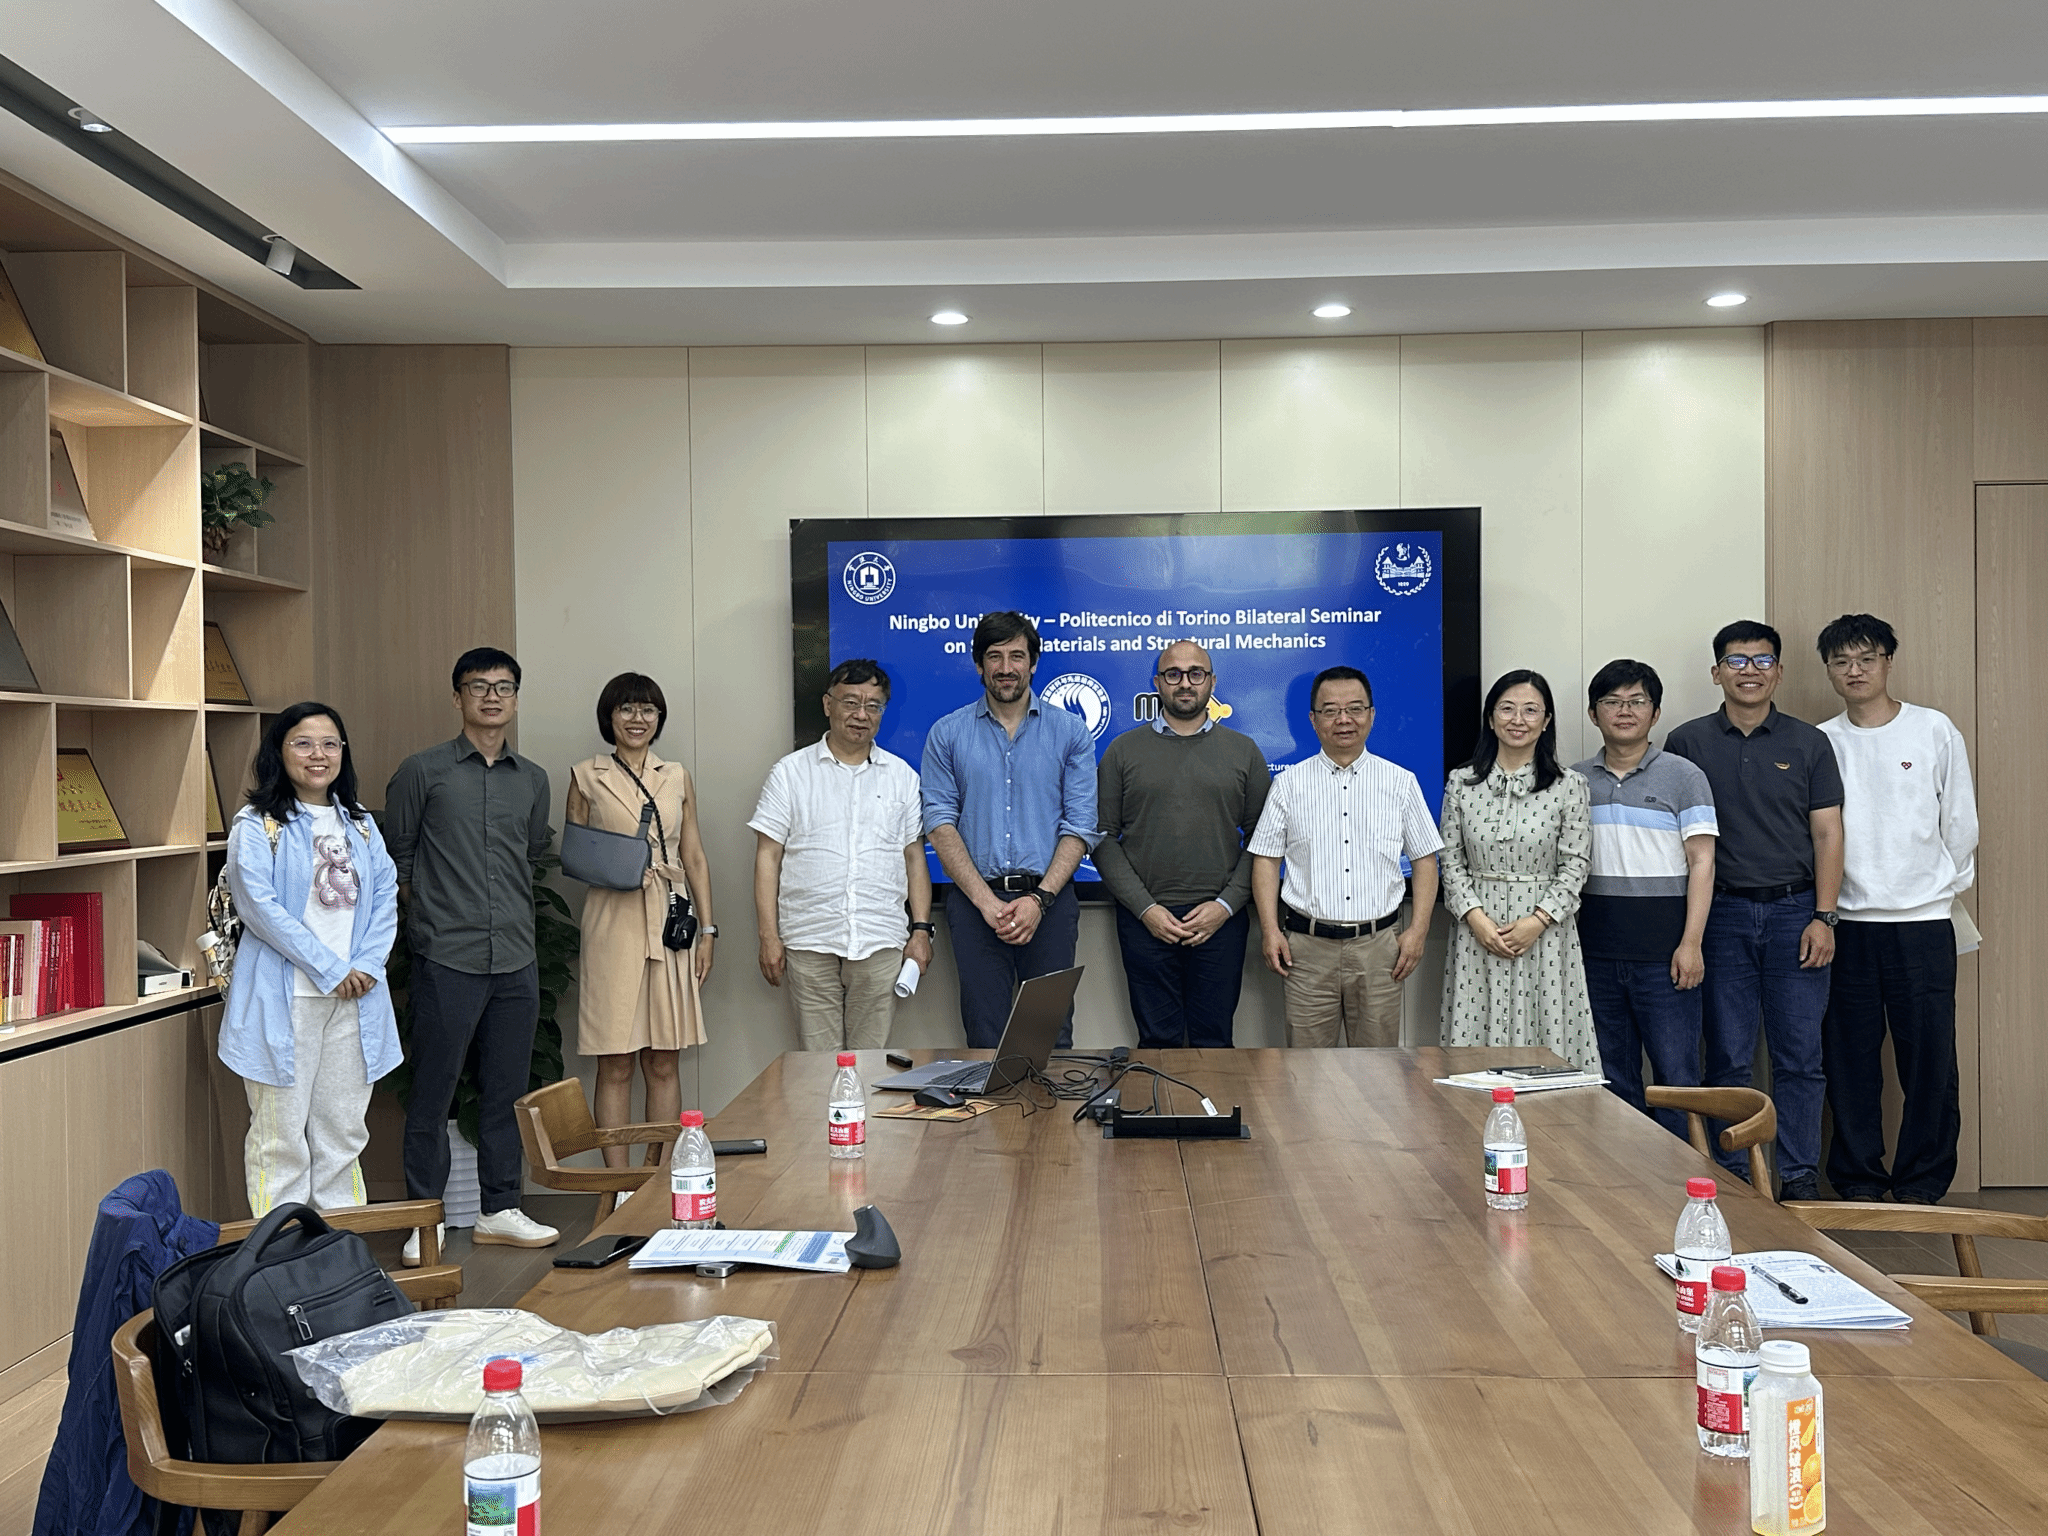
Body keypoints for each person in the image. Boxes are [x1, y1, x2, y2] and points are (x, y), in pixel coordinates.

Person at [385, 647, 558, 1261]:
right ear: (457, 696)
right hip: (447, 955)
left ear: (515, 699)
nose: (491, 697)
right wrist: (429, 921)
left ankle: (500, 1208)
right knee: (432, 1094)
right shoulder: (422, 771)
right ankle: (424, 1221)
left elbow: (531, 855)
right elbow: (398, 857)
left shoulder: (532, 779)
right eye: (478, 686)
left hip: (514, 955)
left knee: (506, 1091)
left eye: (503, 687)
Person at [1665, 621, 1843, 1201]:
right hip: (1722, 916)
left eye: (1762, 661)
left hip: (1796, 912)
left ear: (1779, 672)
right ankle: (1734, 1175)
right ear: (1716, 672)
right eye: (1737, 661)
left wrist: (1825, 916)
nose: (1750, 671)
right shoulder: (1687, 742)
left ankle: (1798, 1176)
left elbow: (1828, 834)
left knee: (1800, 1055)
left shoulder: (1808, 743)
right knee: (1727, 1056)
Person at [1816, 614, 1978, 1204]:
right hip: (1847, 925)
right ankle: (1858, 1178)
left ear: (1888, 661)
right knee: (1848, 1060)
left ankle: (1922, 1181)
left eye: (1867, 659)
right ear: (1829, 670)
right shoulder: (1822, 740)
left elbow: (1960, 823)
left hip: (1923, 925)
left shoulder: (1933, 729)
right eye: (1842, 662)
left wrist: (1937, 889)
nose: (1855, 671)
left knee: (1929, 1061)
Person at [219, 703, 399, 1216]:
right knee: (280, 1138)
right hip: (287, 1000)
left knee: (343, 1133)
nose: (318, 755)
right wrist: (332, 969)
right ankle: (284, 1251)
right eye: (303, 743)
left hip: (356, 999)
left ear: (343, 752)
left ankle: (339, 1247)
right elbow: (259, 908)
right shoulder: (257, 825)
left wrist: (367, 964)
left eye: (329, 744)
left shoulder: (360, 824)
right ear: (279, 751)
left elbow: (385, 895)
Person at [921, 612, 1099, 1048]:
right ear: (978, 665)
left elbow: (1080, 826)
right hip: (974, 906)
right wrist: (986, 903)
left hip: (1050, 905)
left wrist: (1039, 900)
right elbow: (939, 824)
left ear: (1033, 663)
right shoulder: (947, 733)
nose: (1006, 668)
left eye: (1017, 656)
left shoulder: (1070, 732)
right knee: (985, 1038)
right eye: (994, 657)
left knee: (1049, 1037)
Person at [566, 673, 715, 1167]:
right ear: (609, 717)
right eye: (626, 709)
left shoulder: (676, 775)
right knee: (615, 1061)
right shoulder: (586, 775)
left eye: (648, 709)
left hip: (670, 922)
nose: (637, 719)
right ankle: (619, 1186)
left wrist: (708, 930)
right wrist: (623, 865)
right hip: (613, 921)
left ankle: (658, 1179)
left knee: (664, 1060)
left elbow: (694, 856)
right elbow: (577, 853)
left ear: (659, 718)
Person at [1249, 665, 1441, 1048]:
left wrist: (1418, 932)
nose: (1344, 720)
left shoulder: (1401, 783)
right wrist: (1270, 931)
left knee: (1378, 1071)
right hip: (1306, 950)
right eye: (1331, 711)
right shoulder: (1288, 785)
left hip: (1380, 948)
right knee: (1306, 1069)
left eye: (1354, 709)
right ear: (1313, 719)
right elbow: (1266, 861)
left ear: (1371, 715)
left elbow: (1425, 861)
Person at [1095, 641, 1272, 1048]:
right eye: (1173, 674)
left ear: (1212, 682)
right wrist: (1146, 908)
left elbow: (1263, 841)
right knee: (1157, 1044)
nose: (1185, 683)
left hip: (1221, 923)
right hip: (1145, 922)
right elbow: (1102, 838)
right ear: (1157, 683)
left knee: (1215, 1043)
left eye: (1196, 674)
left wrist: (1225, 905)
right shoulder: (1122, 751)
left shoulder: (1244, 751)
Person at [751, 659, 932, 1050]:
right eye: (850, 702)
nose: (861, 715)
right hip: (809, 938)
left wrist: (920, 930)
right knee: (817, 1065)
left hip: (880, 938)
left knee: (871, 1062)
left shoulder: (902, 777)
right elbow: (768, 857)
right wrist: (769, 936)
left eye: (873, 705)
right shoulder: (789, 773)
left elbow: (915, 860)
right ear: (827, 704)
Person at [1573, 660, 1718, 1133]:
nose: (1625, 711)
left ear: (1655, 713)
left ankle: (1685, 1174)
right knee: (1612, 1082)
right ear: (1593, 713)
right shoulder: (1574, 781)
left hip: (1665, 958)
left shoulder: (1684, 776)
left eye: (1637, 702)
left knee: (1677, 1079)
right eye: (1612, 702)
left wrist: (1691, 943)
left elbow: (1702, 862)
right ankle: (1626, 1178)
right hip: (1594, 955)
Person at [1437, 670, 1598, 1070]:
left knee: (1549, 1031)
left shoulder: (1569, 785)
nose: (1518, 720)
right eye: (1507, 709)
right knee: (1475, 1041)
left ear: (1546, 721)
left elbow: (1576, 864)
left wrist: (1538, 921)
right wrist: (1476, 919)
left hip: (1545, 932)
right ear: (1491, 719)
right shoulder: (1461, 783)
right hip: (1478, 929)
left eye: (1530, 710)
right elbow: (1450, 858)